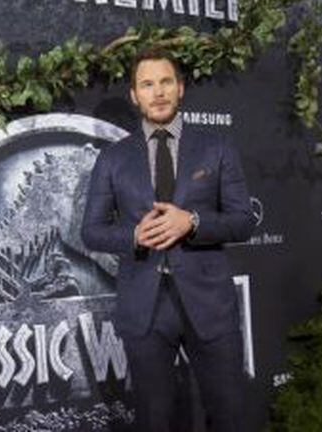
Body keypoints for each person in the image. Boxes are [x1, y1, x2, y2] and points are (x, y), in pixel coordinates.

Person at [81, 49, 257, 431]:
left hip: (209, 304)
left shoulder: (217, 147)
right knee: (154, 421)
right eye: (147, 84)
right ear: (135, 95)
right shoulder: (112, 158)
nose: (158, 92)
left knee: (230, 417)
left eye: (165, 82)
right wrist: (132, 234)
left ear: (180, 88)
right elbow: (91, 231)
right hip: (145, 308)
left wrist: (192, 222)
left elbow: (243, 221)